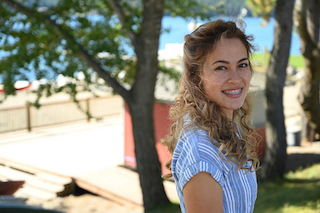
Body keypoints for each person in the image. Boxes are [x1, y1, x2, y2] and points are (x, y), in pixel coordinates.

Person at [161, 19, 260, 213]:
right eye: (221, 67)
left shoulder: (223, 127)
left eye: (242, 64)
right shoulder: (201, 155)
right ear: (196, 76)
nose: (236, 78)